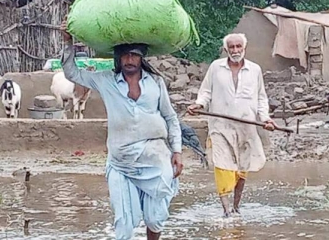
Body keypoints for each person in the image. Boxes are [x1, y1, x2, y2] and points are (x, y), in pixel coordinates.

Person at [59, 19, 183, 240]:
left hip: (155, 157)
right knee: (124, 226)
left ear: (141, 57)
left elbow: (170, 117)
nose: (129, 59)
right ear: (118, 58)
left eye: (134, 54)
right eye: (124, 55)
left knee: (155, 218)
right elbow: (72, 74)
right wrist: (68, 42)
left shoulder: (156, 83)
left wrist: (177, 151)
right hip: (120, 162)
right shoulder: (106, 81)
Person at [187, 33, 275, 217]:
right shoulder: (216, 68)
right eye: (231, 47)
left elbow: (261, 98)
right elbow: (206, 92)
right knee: (222, 165)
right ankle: (226, 210)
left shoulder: (255, 70)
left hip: (246, 127)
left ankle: (236, 206)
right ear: (226, 49)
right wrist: (199, 104)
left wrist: (265, 118)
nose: (235, 50)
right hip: (220, 126)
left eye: (238, 47)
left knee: (241, 169)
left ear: (244, 48)